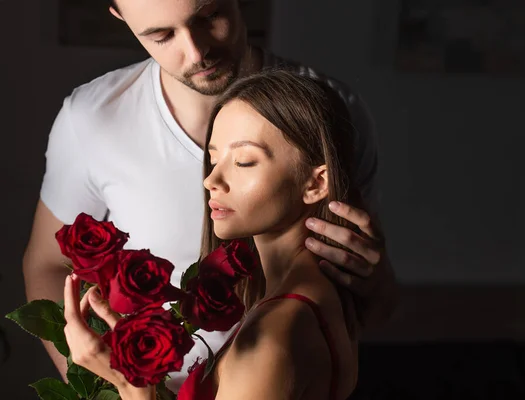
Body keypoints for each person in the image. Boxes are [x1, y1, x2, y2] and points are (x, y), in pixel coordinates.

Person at [23, 0, 398, 392]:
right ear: (121, 17)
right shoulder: (93, 118)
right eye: (162, 35)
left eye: (209, 16)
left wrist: (374, 279)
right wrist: (97, 387)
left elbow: (370, 304)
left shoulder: (331, 112)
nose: (196, 51)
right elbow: (47, 263)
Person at [64, 69, 368, 400]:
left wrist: (130, 385)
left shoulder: (273, 337)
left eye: (244, 161)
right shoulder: (322, 294)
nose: (212, 180)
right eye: (213, 159)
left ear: (315, 183)